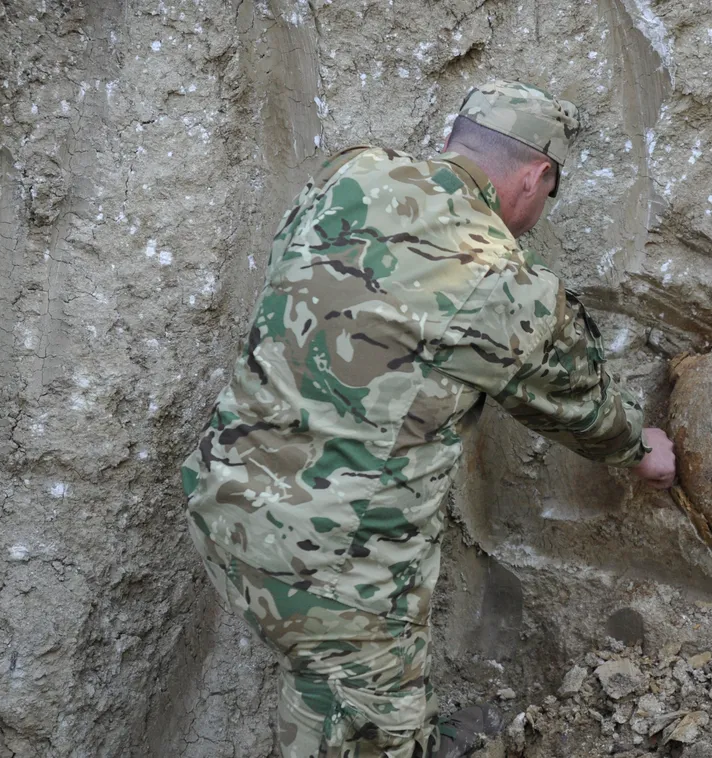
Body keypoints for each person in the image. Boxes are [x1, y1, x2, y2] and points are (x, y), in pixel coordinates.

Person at [179, 79, 677, 758]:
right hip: (331, 564)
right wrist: (637, 448)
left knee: (328, 689)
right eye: (548, 194)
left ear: (452, 141)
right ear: (537, 175)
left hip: (223, 500)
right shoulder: (504, 279)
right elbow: (577, 405)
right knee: (372, 730)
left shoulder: (349, 173)